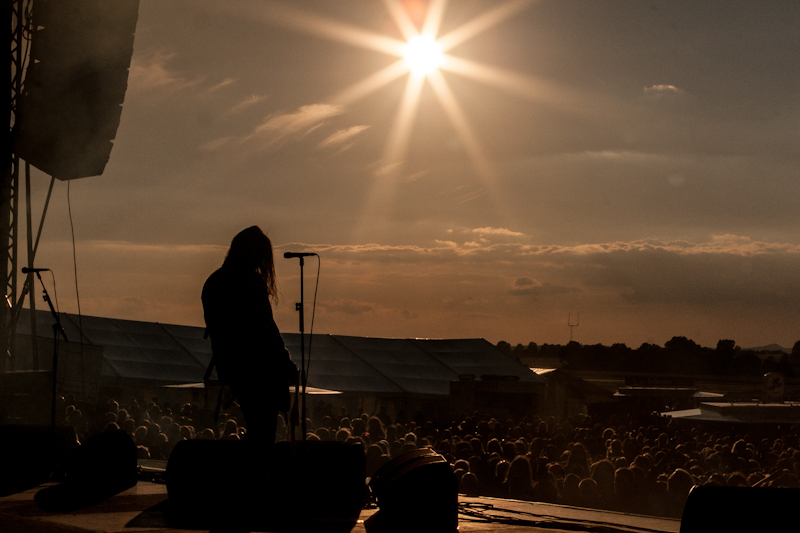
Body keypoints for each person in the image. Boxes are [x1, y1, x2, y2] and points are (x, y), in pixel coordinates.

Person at [202, 226, 297, 446]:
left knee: (256, 428)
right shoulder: (250, 283)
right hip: (258, 370)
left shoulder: (215, 282)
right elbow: (267, 329)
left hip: (232, 368)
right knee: (263, 432)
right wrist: (286, 364)